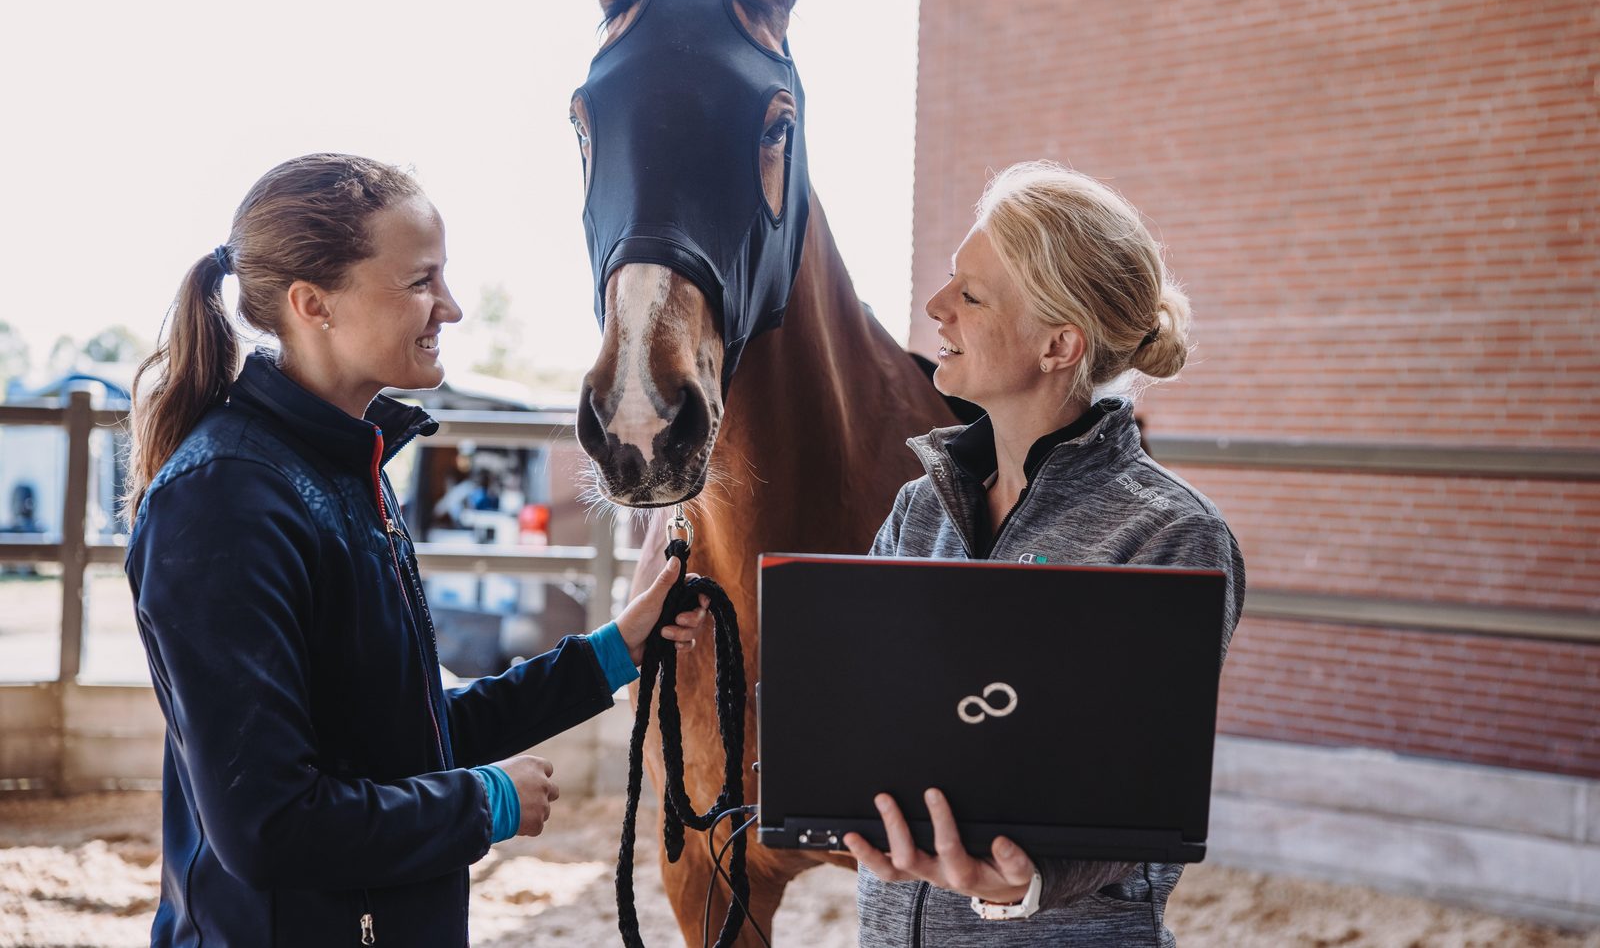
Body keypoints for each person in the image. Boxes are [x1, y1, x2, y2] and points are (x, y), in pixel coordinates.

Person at [122, 153, 707, 948]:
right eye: (421, 281)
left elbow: (401, 737)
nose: (453, 308)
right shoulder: (223, 499)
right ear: (312, 304)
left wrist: (615, 650)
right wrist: (484, 804)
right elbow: (267, 825)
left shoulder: (341, 470)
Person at [844, 161, 1246, 946]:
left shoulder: (1172, 535)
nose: (935, 309)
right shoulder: (916, 509)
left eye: (970, 294)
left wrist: (1030, 880)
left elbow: (1145, 791)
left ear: (1059, 343)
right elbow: (865, 708)